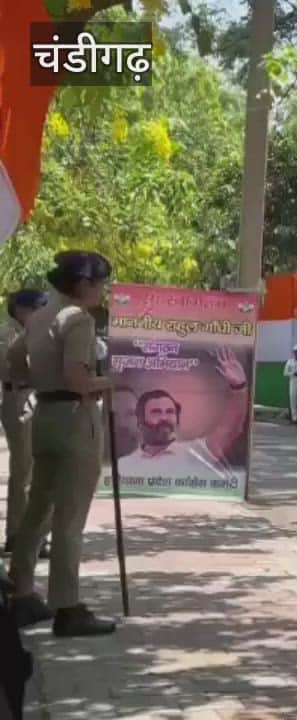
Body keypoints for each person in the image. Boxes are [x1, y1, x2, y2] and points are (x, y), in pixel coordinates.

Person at [7, 250, 117, 636]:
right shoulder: (78, 319)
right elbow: (77, 379)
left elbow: (14, 358)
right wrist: (110, 381)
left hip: (45, 418)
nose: (103, 291)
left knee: (39, 507)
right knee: (69, 519)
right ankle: (67, 607)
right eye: (101, 283)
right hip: (75, 419)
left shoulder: (39, 317)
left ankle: (20, 590)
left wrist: (35, 382)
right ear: (84, 284)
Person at [116, 349, 249, 484]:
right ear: (140, 420)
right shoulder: (122, 465)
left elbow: (229, 429)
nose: (164, 418)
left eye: (170, 412)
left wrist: (239, 387)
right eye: (156, 412)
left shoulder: (197, 452)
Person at [1, 290, 47, 556]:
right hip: (18, 398)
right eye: (39, 307)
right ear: (20, 309)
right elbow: (7, 370)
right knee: (23, 470)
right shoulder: (8, 333)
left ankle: (36, 535)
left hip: (42, 398)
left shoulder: (41, 330)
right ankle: (17, 535)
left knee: (43, 471)